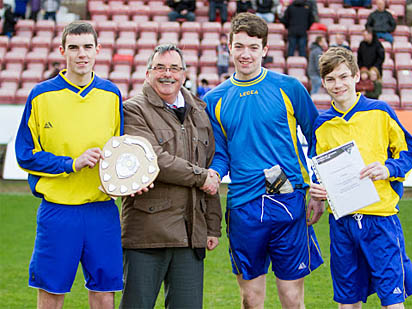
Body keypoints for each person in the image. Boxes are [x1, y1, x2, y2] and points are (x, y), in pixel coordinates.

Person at [14, 21, 140, 309]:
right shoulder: (41, 95)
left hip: (102, 210)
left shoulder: (111, 95)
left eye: (87, 47)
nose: (81, 54)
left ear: (98, 50)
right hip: (59, 211)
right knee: (51, 294)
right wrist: (71, 163)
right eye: (73, 47)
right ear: (62, 51)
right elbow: (25, 154)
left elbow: (118, 150)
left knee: (104, 296)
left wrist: (127, 179)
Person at [203, 13, 324, 308]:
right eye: (240, 46)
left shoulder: (290, 87)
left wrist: (318, 190)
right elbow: (221, 154)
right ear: (228, 47)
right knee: (251, 299)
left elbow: (319, 138)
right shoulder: (214, 98)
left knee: (292, 298)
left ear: (265, 49)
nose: (246, 54)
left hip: (289, 203)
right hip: (244, 207)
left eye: (253, 47)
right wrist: (215, 175)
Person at [310, 46, 412, 308]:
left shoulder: (380, 111)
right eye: (331, 79)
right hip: (342, 224)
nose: (338, 84)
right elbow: (319, 168)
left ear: (357, 76)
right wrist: (321, 189)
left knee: (392, 299)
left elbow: (409, 151)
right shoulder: (321, 124)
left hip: (380, 220)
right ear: (323, 83)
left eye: (344, 76)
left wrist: (388, 169)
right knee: (347, 302)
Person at [119, 43, 222, 308]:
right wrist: (200, 176)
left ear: (184, 74)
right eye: (160, 68)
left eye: (174, 68)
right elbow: (152, 160)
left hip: (191, 233)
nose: (168, 74)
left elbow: (210, 168)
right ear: (147, 73)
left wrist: (212, 225)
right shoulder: (133, 109)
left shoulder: (199, 111)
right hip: (147, 231)